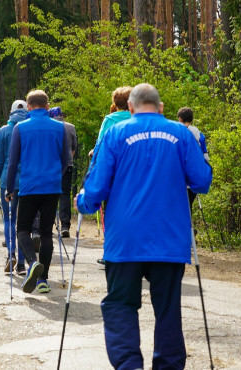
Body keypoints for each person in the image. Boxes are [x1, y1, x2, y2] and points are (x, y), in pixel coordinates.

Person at [76, 83, 213, 370]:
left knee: (120, 304)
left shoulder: (115, 133)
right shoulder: (181, 134)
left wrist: (83, 202)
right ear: (161, 107)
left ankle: (129, 365)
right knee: (167, 309)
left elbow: (97, 187)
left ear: (129, 108)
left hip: (125, 240)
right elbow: (201, 181)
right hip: (169, 239)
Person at [6, 90, 71, 295]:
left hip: (29, 186)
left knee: (22, 229)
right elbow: (65, 160)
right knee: (45, 233)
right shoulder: (59, 127)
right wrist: (54, 176)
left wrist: (9, 188)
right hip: (52, 187)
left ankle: (32, 263)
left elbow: (13, 162)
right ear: (47, 104)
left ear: (28, 105)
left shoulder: (20, 128)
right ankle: (43, 280)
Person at [0, 99, 27, 274]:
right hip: (27, 181)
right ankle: (21, 263)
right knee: (23, 222)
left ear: (11, 112)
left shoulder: (4, 131)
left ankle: (10, 254)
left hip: (7, 179)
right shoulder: (29, 129)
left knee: (8, 219)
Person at [48, 106, 78, 238]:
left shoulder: (49, 126)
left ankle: (49, 224)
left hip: (51, 165)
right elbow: (73, 147)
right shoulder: (71, 127)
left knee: (49, 194)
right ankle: (65, 225)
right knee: (65, 194)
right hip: (68, 165)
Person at [90, 86, 133, 163]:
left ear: (115, 103)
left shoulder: (110, 119)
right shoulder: (138, 118)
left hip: (114, 160)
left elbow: (101, 141)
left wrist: (95, 152)